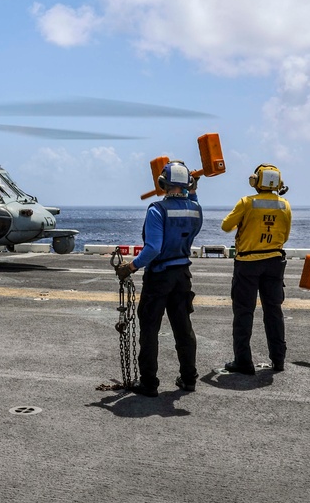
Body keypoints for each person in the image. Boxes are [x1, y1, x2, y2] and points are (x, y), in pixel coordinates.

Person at [115, 161, 203, 397]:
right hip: (183, 275)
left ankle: (149, 383)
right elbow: (192, 201)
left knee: (150, 330)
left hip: (160, 276)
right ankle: (189, 378)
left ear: (162, 183)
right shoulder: (195, 209)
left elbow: (153, 248)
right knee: (184, 329)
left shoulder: (157, 210)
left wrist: (131, 266)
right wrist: (193, 189)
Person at [220, 164, 292, 375]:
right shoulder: (284, 205)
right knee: (274, 312)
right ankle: (278, 360)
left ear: (255, 181)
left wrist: (242, 224)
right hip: (274, 262)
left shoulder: (246, 203)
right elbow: (285, 236)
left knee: (244, 312)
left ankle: (243, 361)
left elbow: (226, 226)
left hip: (247, 263)